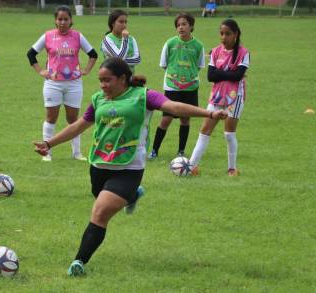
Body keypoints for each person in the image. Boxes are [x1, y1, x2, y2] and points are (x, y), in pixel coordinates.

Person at [33, 57, 227, 276]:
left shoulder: (144, 96)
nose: (103, 85)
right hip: (99, 164)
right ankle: (132, 196)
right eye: (100, 80)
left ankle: (79, 262)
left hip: (129, 168)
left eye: (108, 80)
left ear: (123, 79)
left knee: (100, 212)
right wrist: (49, 144)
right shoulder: (98, 99)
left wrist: (209, 113)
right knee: (99, 198)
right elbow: (79, 126)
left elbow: (174, 107)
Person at [27, 5, 98, 162]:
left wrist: (86, 70)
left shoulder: (78, 36)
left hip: (74, 84)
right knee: (51, 117)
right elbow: (31, 54)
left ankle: (77, 153)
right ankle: (47, 153)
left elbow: (93, 54)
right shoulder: (47, 36)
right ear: (55, 20)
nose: (63, 22)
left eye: (66, 19)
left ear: (71, 20)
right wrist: (40, 71)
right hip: (53, 83)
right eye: (60, 19)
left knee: (73, 119)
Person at [189, 19, 250, 177]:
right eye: (222, 33)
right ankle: (191, 166)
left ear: (235, 34)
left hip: (235, 98)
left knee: (229, 134)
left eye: (228, 34)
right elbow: (211, 76)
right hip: (216, 97)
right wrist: (229, 73)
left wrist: (221, 73)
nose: (224, 37)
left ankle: (232, 168)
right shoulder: (215, 52)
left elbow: (237, 76)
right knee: (204, 131)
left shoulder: (244, 53)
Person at [148, 13, 205, 160]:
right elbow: (164, 64)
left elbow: (199, 66)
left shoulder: (198, 46)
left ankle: (181, 151)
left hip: (190, 87)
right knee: (166, 119)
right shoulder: (170, 44)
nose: (181, 27)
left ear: (191, 26)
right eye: (178, 25)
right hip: (172, 87)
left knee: (185, 119)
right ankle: (154, 150)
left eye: (184, 24)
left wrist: (187, 77)